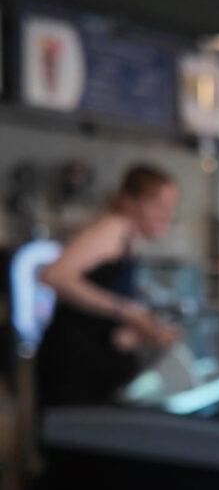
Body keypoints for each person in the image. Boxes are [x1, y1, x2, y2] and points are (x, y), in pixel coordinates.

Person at [36, 164, 179, 407]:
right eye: (157, 204)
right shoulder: (111, 228)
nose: (166, 215)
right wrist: (128, 312)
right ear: (128, 200)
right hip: (72, 368)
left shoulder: (127, 238)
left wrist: (136, 331)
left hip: (91, 367)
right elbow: (55, 275)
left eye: (170, 206)